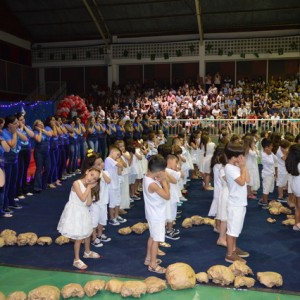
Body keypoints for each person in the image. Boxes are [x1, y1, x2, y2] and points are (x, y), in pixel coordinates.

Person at [57, 167, 101, 270]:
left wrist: (90, 189)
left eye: (95, 179)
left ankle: (87, 252)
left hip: (83, 211)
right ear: (87, 171)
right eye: (91, 175)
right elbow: (82, 198)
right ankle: (76, 259)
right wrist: (89, 188)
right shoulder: (76, 183)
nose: (92, 179)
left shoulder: (88, 186)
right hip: (75, 211)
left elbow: (89, 203)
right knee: (79, 236)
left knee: (87, 232)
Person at [143, 154, 170, 274]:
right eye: (163, 170)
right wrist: (164, 181)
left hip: (153, 213)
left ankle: (148, 258)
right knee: (156, 240)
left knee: (152, 236)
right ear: (159, 172)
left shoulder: (148, 177)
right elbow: (167, 196)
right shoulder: (153, 184)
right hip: (156, 215)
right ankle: (153, 264)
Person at [224, 142, 250, 263]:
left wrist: (242, 167)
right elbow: (241, 182)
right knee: (232, 230)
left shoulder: (235, 166)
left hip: (240, 202)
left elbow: (247, 179)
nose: (243, 158)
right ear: (235, 156)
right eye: (241, 156)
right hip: (235, 204)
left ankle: (233, 249)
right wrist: (243, 167)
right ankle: (229, 254)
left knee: (236, 229)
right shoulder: (229, 168)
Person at [105, 146, 126, 226]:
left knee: (117, 201)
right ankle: (112, 217)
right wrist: (119, 161)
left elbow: (120, 171)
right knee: (112, 203)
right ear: (112, 151)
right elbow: (121, 165)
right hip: (111, 185)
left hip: (116, 183)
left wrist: (119, 162)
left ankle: (117, 215)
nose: (118, 157)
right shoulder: (108, 159)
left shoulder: (113, 160)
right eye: (117, 155)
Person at [15, 113, 34, 199]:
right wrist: (21, 127)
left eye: (23, 119)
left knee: (25, 170)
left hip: (27, 150)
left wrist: (24, 126)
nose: (23, 121)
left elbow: (32, 135)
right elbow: (22, 137)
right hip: (19, 152)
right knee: (20, 171)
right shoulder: (15, 129)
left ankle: (24, 189)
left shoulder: (28, 127)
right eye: (20, 119)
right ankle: (18, 191)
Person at [258, 139, 277, 209]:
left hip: (270, 173)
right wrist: (270, 154)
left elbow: (276, 159)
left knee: (268, 188)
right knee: (266, 189)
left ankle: (263, 199)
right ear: (266, 147)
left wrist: (271, 153)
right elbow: (272, 162)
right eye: (271, 146)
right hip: (267, 174)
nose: (272, 147)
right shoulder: (264, 155)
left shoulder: (269, 153)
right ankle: (264, 203)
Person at [285, 144, 300, 231]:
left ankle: (296, 224)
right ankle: (298, 224)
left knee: (297, 207)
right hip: (299, 185)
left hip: (295, 185)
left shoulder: (293, 163)